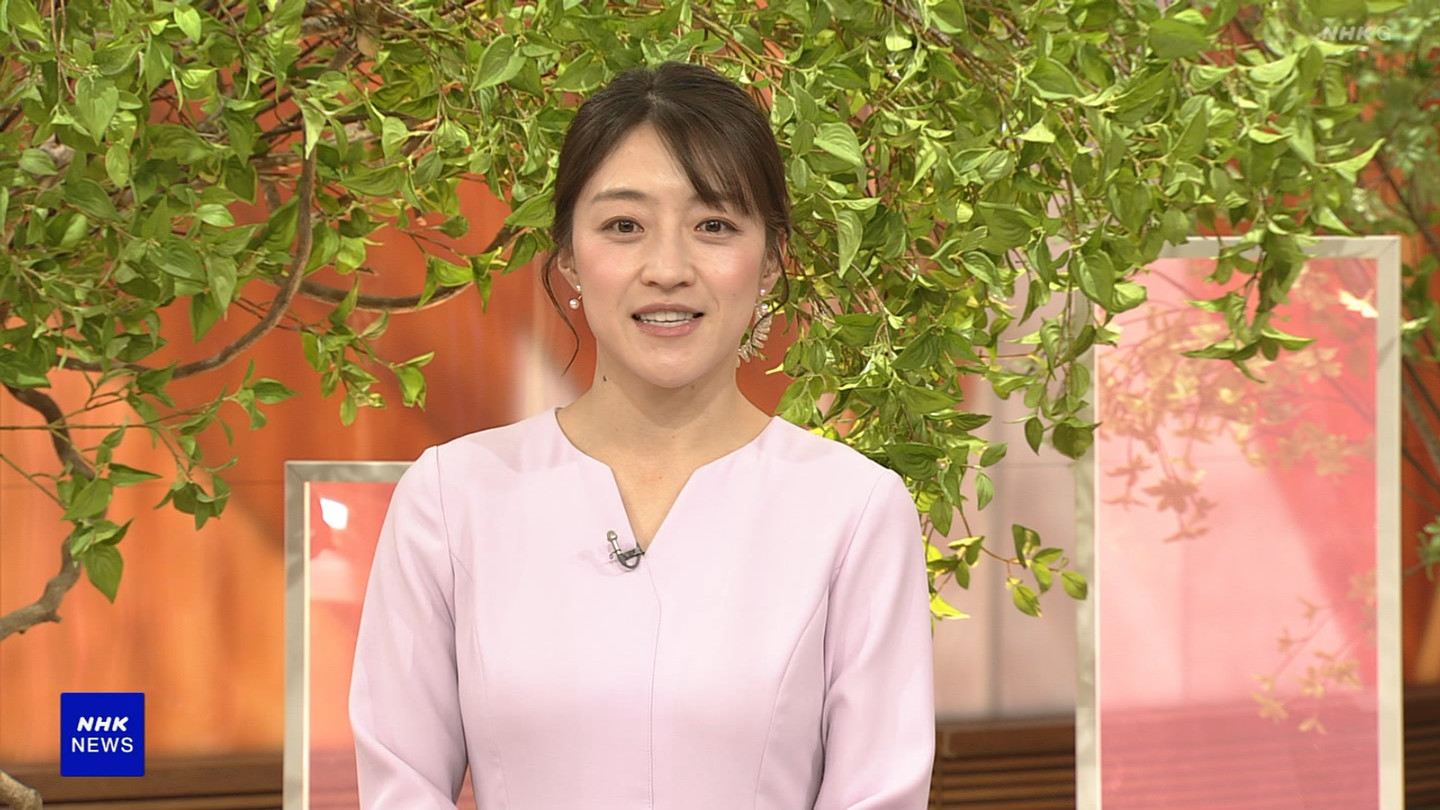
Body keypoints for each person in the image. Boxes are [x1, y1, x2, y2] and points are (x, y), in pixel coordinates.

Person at [348, 60, 935, 810]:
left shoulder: (853, 509)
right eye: (624, 226)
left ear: (771, 261)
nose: (667, 269)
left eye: (714, 225)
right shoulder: (451, 497)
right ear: (568, 257)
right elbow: (401, 787)